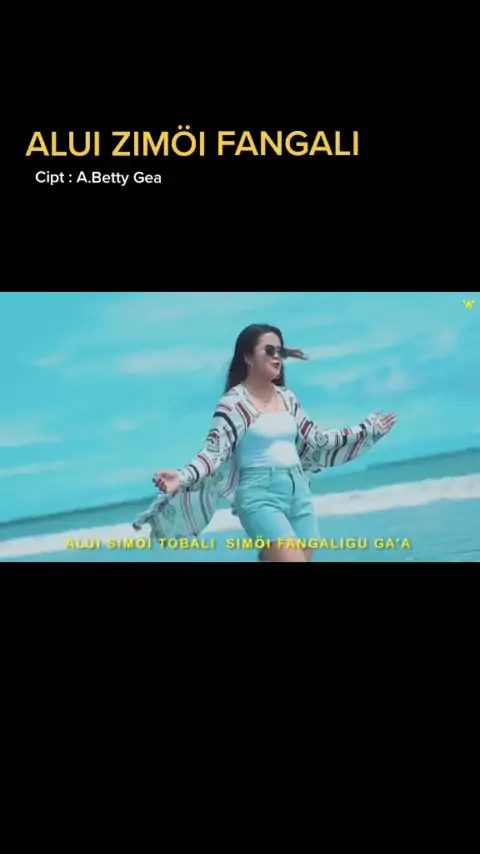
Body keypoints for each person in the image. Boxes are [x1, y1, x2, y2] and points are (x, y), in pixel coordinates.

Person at [148, 324, 397, 563]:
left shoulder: (287, 398)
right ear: (248, 357)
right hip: (260, 496)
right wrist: (182, 477)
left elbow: (318, 439)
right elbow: (213, 452)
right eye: (269, 350)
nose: (277, 356)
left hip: (299, 492)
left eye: (280, 351)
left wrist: (367, 430)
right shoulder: (234, 403)